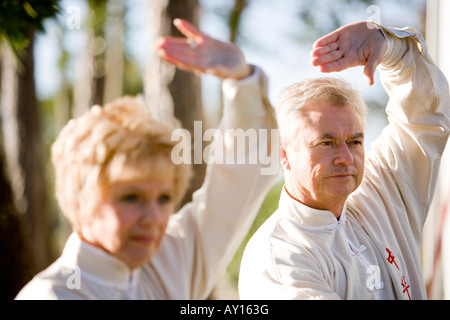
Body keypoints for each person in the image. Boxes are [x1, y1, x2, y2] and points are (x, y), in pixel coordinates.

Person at [15, 19, 278, 299]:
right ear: (80, 203)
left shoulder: (169, 261)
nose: (153, 219)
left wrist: (240, 80)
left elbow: (238, 183)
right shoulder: (52, 295)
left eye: (164, 198)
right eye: (131, 197)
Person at [239, 21, 450, 300]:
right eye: (326, 143)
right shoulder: (279, 257)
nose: (345, 158)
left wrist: (391, 48)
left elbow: (426, 116)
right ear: (283, 154)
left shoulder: (381, 197)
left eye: (355, 141)